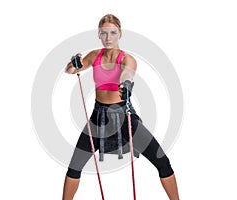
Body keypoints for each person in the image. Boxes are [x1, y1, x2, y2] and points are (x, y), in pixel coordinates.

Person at [63, 14, 180, 200]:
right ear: (99, 35)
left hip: (123, 115)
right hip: (98, 117)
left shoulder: (128, 59)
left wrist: (126, 85)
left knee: (162, 161)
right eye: (104, 33)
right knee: (74, 166)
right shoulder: (95, 56)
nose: (108, 38)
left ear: (120, 34)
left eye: (113, 33)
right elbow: (70, 70)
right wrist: (73, 63)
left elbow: (128, 73)